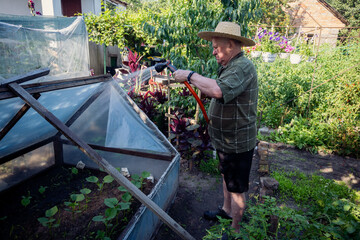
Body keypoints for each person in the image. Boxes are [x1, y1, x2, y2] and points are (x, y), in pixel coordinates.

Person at [173, 21, 258, 234]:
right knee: (226, 176)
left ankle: (236, 230)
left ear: (230, 44)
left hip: (238, 141)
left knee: (236, 187)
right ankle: (226, 211)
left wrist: (190, 76)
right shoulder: (228, 66)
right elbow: (221, 93)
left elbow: (219, 91)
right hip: (225, 139)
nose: (213, 52)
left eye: (216, 48)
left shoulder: (243, 66)